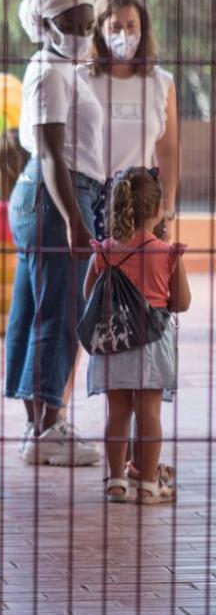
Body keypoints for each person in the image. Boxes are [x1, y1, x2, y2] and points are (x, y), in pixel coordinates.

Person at [6, 0, 105, 467]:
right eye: (74, 25)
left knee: (38, 310)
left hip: (54, 195)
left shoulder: (65, 68)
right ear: (47, 25)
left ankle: (37, 425)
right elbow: (50, 152)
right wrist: (74, 220)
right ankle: (47, 427)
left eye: (89, 25)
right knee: (59, 314)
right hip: (55, 196)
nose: (84, 33)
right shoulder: (49, 70)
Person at [86, 167, 190, 505]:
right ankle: (147, 484)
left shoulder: (103, 251)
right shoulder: (166, 253)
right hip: (152, 343)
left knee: (118, 413)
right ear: (158, 210)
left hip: (113, 341)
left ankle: (116, 482)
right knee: (150, 414)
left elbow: (90, 297)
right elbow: (182, 302)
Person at [89, 0, 180, 241]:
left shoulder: (162, 83)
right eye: (115, 27)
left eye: (131, 26)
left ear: (143, 28)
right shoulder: (83, 79)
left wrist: (168, 210)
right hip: (93, 197)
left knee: (141, 278)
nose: (124, 34)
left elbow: (169, 152)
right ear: (99, 29)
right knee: (97, 276)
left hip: (143, 197)